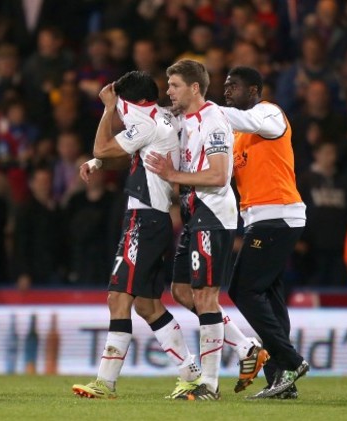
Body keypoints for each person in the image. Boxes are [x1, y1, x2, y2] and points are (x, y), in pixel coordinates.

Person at [71, 70, 201, 400]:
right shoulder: (158, 119)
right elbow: (127, 154)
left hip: (143, 219)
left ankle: (105, 381)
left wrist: (107, 107)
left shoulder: (145, 123)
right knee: (147, 305)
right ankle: (190, 374)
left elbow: (102, 146)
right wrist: (98, 164)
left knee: (118, 297)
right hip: (152, 219)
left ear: (134, 102)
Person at [145, 59, 244, 401]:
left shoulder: (215, 122)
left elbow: (219, 176)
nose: (168, 91)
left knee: (205, 296)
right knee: (183, 292)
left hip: (214, 213)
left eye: (173, 85)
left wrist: (173, 176)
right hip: (195, 214)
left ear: (195, 88)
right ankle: (246, 348)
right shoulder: (185, 119)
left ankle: (210, 385)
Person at [222, 66, 310, 398]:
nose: (228, 90)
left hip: (280, 215)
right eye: (226, 86)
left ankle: (290, 359)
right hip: (261, 219)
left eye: (235, 86)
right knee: (269, 297)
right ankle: (281, 379)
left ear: (255, 89)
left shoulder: (269, 114)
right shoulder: (235, 136)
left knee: (243, 290)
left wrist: (206, 109)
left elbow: (251, 121)